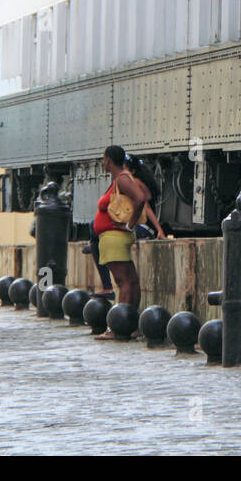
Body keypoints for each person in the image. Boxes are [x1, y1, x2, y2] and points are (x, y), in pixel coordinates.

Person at [92, 145, 151, 338]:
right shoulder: (122, 178)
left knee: (123, 282)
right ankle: (130, 325)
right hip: (116, 238)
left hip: (115, 238)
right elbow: (144, 196)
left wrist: (130, 225)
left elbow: (141, 198)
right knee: (131, 282)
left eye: (103, 159)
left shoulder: (123, 179)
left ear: (109, 160)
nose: (103, 163)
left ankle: (117, 328)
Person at [124, 153, 167, 240]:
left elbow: (146, 207)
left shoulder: (135, 183)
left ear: (132, 172)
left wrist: (159, 230)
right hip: (144, 228)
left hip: (142, 228)